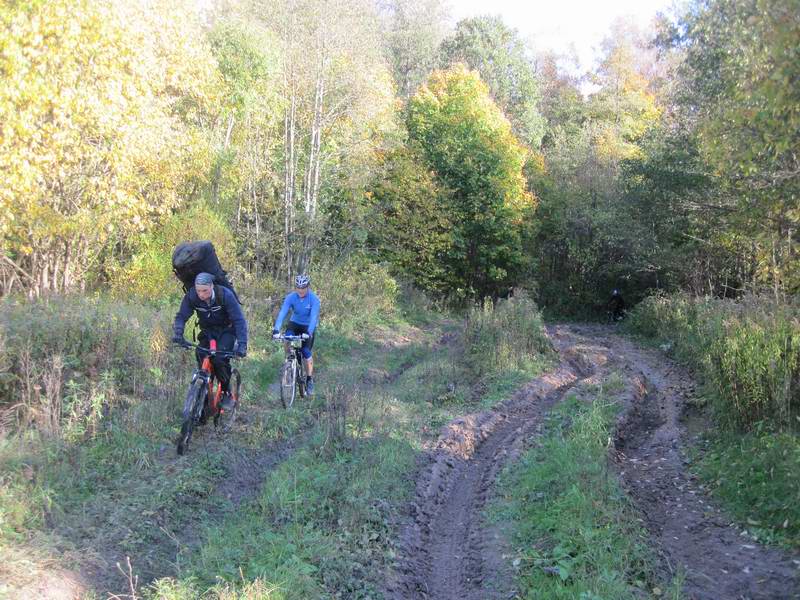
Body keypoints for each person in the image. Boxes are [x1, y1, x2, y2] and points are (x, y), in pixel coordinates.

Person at [172, 272, 248, 411]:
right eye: (198, 290)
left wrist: (242, 344)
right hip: (207, 332)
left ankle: (227, 392)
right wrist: (178, 333)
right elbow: (181, 316)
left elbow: (239, 320)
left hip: (227, 331)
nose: (201, 294)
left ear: (212, 286)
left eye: (205, 290)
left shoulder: (224, 295)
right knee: (200, 354)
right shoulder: (192, 296)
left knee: (219, 360)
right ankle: (203, 396)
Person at [272, 274, 321, 394]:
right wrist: (276, 329)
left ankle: (309, 380)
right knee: (287, 338)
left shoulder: (314, 299)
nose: (300, 290)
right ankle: (289, 363)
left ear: (308, 287)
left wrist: (309, 332)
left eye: (303, 287)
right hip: (294, 323)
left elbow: (314, 317)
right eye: (298, 287)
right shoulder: (291, 297)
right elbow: (283, 312)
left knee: (306, 352)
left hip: (308, 326)